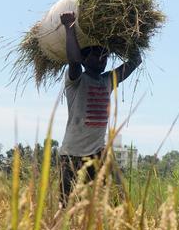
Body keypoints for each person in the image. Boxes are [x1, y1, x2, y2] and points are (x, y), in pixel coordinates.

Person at [58, 11, 142, 207]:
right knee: (67, 206)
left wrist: (130, 29)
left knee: (118, 200)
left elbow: (135, 61)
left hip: (98, 154)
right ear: (85, 59)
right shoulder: (76, 80)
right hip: (72, 155)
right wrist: (69, 27)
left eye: (105, 56)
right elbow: (74, 61)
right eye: (97, 55)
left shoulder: (107, 81)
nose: (103, 60)